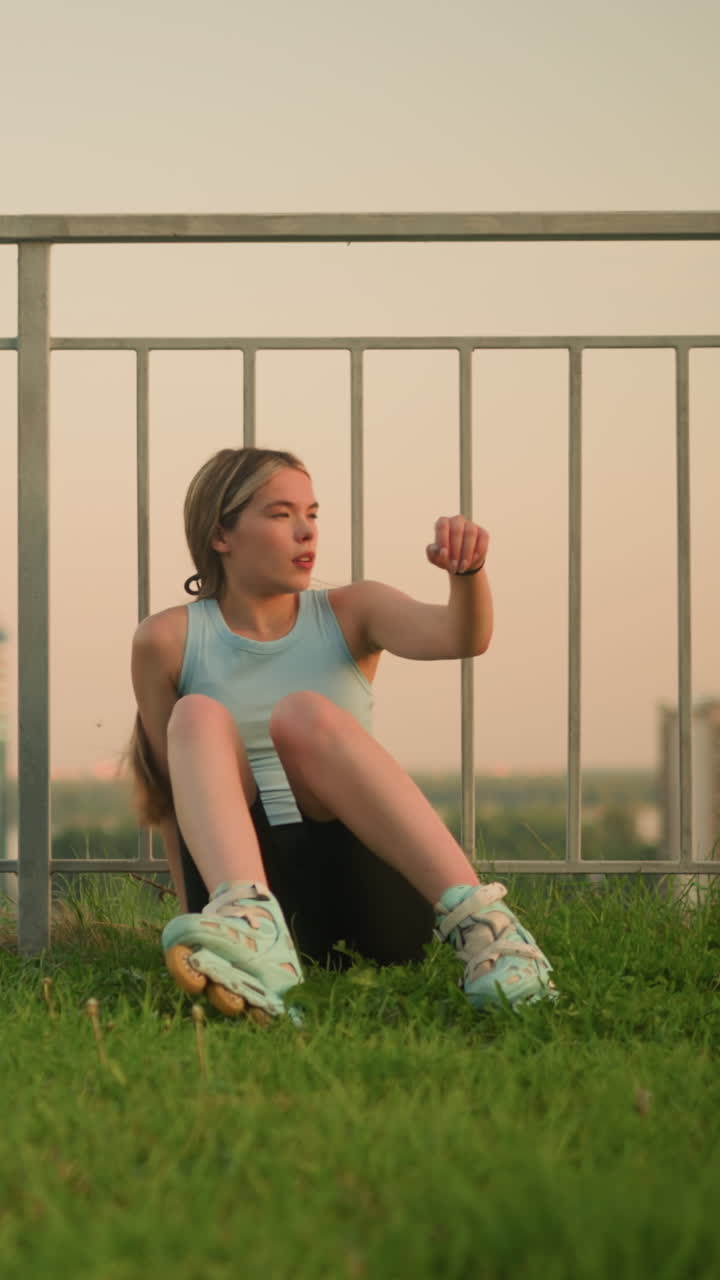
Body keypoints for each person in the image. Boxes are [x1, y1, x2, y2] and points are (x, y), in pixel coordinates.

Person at [127, 445, 555, 1022]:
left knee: (303, 715)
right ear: (221, 535)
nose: (306, 532)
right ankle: (249, 938)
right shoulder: (166, 639)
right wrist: (191, 920)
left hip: (364, 898)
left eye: (312, 513)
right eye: (280, 515)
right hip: (245, 893)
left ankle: (489, 933)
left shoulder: (353, 610)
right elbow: (175, 800)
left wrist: (468, 574)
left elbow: (463, 636)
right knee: (197, 716)